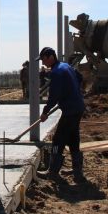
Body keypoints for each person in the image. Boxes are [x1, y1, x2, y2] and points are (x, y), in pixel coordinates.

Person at [36, 47, 86, 183]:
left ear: (50, 56)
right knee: (73, 137)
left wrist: (45, 112)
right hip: (78, 107)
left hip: (70, 110)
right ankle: (77, 170)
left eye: (43, 59)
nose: (43, 63)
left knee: (58, 140)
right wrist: (74, 91)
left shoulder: (56, 72)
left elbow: (53, 96)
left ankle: (52, 172)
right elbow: (80, 77)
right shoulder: (66, 66)